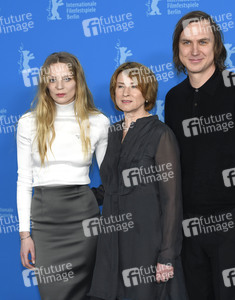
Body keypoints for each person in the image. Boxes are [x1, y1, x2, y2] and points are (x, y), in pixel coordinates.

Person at [165, 11, 235, 300]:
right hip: (187, 227)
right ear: (177, 49)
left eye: (203, 41)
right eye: (186, 43)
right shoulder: (174, 99)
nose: (195, 50)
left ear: (217, 46)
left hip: (230, 224)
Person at [88, 62, 188, 300]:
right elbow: (111, 187)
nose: (125, 93)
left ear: (147, 93)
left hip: (147, 242)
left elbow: (172, 200)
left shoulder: (161, 134)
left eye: (133, 87)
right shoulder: (112, 134)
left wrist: (167, 255)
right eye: (120, 86)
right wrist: (73, 196)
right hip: (112, 241)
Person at [16, 52, 110, 300]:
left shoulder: (98, 122)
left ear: (78, 80)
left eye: (67, 78)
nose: (59, 86)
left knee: (88, 293)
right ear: (44, 83)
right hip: (45, 223)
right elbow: (24, 181)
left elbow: (111, 180)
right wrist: (25, 235)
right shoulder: (28, 122)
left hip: (84, 221)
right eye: (52, 79)